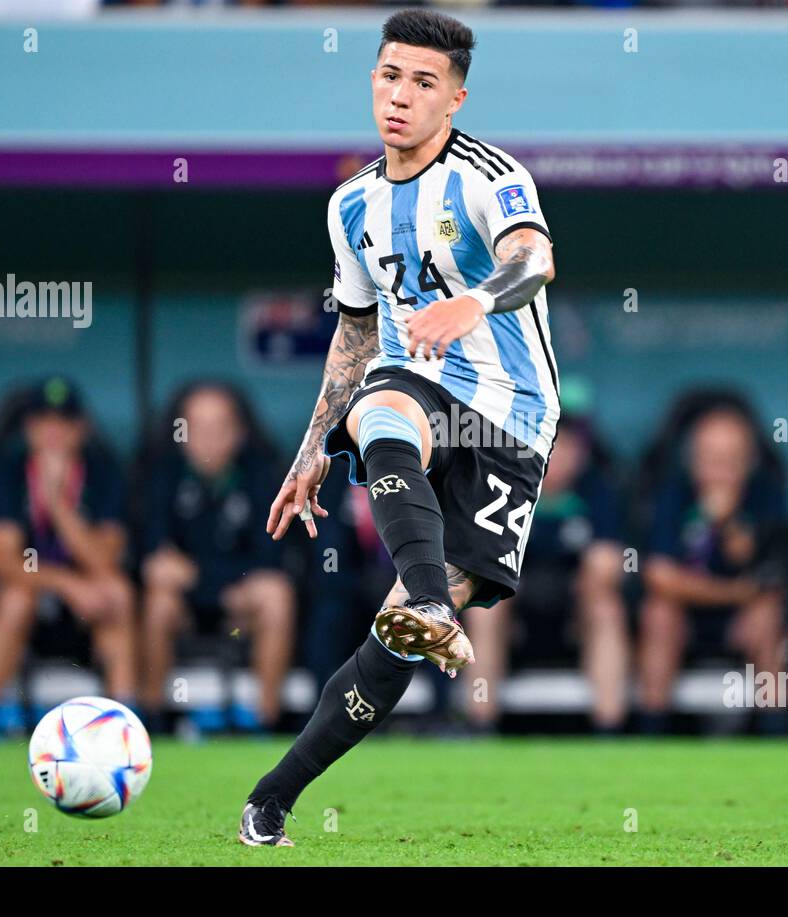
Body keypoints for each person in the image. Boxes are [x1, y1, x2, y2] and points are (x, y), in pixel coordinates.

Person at [239, 8, 560, 847]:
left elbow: (534, 259)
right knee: (379, 405)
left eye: (423, 82)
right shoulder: (351, 205)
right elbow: (353, 331)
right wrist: (311, 450)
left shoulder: (493, 176)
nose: (401, 96)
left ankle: (281, 784)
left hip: (511, 417)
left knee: (395, 642)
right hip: (416, 382)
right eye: (389, 75)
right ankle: (267, 806)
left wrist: (476, 299)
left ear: (454, 98)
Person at [0, 377, 137, 734]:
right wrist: (67, 585)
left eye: (64, 422)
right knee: (16, 599)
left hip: (86, 612)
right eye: (43, 422)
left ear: (82, 428)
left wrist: (59, 505)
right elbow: (4, 561)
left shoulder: (103, 471)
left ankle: (123, 724)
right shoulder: (9, 470)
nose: (54, 432)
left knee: (116, 592)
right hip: (31, 601)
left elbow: (104, 560)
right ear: (28, 427)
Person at [139, 383, 295, 733]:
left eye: (218, 427)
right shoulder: (163, 474)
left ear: (239, 433)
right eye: (196, 427)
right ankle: (151, 722)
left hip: (239, 611)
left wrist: (202, 576)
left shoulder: (263, 474)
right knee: (158, 600)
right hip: (186, 609)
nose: (208, 438)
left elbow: (270, 558)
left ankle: (264, 720)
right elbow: (154, 562)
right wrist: (218, 580)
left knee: (276, 594)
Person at [463, 414, 629, 733]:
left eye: (566, 449)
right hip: (517, 609)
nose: (558, 458)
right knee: (485, 607)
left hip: (575, 612)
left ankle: (610, 731)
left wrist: (591, 579)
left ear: (581, 454)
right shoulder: (503, 487)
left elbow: (610, 563)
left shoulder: (598, 490)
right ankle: (480, 726)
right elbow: (482, 558)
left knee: (607, 608)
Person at [638, 406, 788, 733]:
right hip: (686, 614)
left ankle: (777, 736)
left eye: (730, 460)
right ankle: (650, 736)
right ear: (692, 460)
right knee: (658, 613)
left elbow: (768, 574)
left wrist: (727, 522)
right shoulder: (673, 493)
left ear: (749, 461)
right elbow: (660, 577)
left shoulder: (766, 494)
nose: (719, 471)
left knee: (767, 614)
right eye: (710, 459)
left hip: (743, 617)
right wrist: (735, 592)